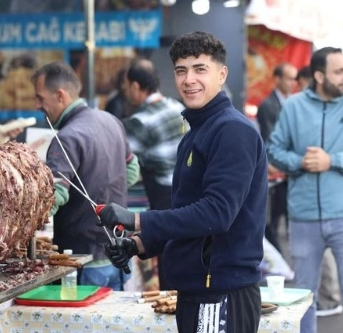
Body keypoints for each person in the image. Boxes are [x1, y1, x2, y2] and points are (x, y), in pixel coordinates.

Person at [97, 31, 268, 333]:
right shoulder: (195, 132)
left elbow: (217, 213)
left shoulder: (232, 131)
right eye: (181, 70)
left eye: (200, 68)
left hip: (221, 292)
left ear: (221, 74)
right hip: (198, 289)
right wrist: (139, 244)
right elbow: (188, 214)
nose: (189, 79)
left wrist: (137, 219)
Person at [267, 47, 343, 333]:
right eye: (339, 71)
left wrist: (332, 161)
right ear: (318, 75)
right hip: (303, 217)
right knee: (304, 297)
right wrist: (300, 162)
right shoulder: (293, 106)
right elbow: (274, 149)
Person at [31, 61, 140, 290]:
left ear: (60, 95)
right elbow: (132, 170)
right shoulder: (112, 121)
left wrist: (25, 227)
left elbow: (54, 194)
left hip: (85, 261)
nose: (37, 105)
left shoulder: (66, 137)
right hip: (118, 255)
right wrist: (105, 193)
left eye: (40, 98)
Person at [120, 58, 186, 290]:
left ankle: (171, 306)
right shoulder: (176, 106)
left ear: (136, 86)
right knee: (181, 251)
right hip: (185, 192)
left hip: (163, 196)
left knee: (166, 253)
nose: (126, 92)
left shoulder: (141, 121)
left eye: (127, 86)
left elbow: (121, 159)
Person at [256, 63, 297, 253]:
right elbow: (269, 139)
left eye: (294, 78)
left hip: (291, 168)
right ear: (277, 79)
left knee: (289, 215)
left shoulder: (293, 102)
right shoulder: (267, 105)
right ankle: (277, 257)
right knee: (274, 217)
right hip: (277, 170)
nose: (292, 82)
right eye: (289, 78)